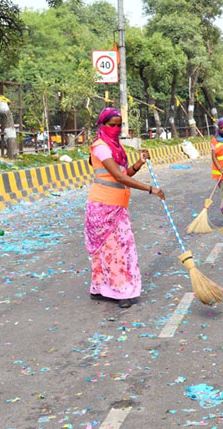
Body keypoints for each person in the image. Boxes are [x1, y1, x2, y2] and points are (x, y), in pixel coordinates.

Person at [85, 108, 165, 308]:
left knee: (114, 249)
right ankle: (119, 292)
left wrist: (140, 163)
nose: (116, 128)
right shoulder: (101, 147)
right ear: (102, 125)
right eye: (112, 125)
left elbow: (125, 173)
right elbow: (120, 178)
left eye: (119, 125)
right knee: (116, 250)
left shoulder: (116, 148)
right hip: (103, 206)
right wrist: (151, 189)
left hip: (118, 206)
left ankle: (103, 288)